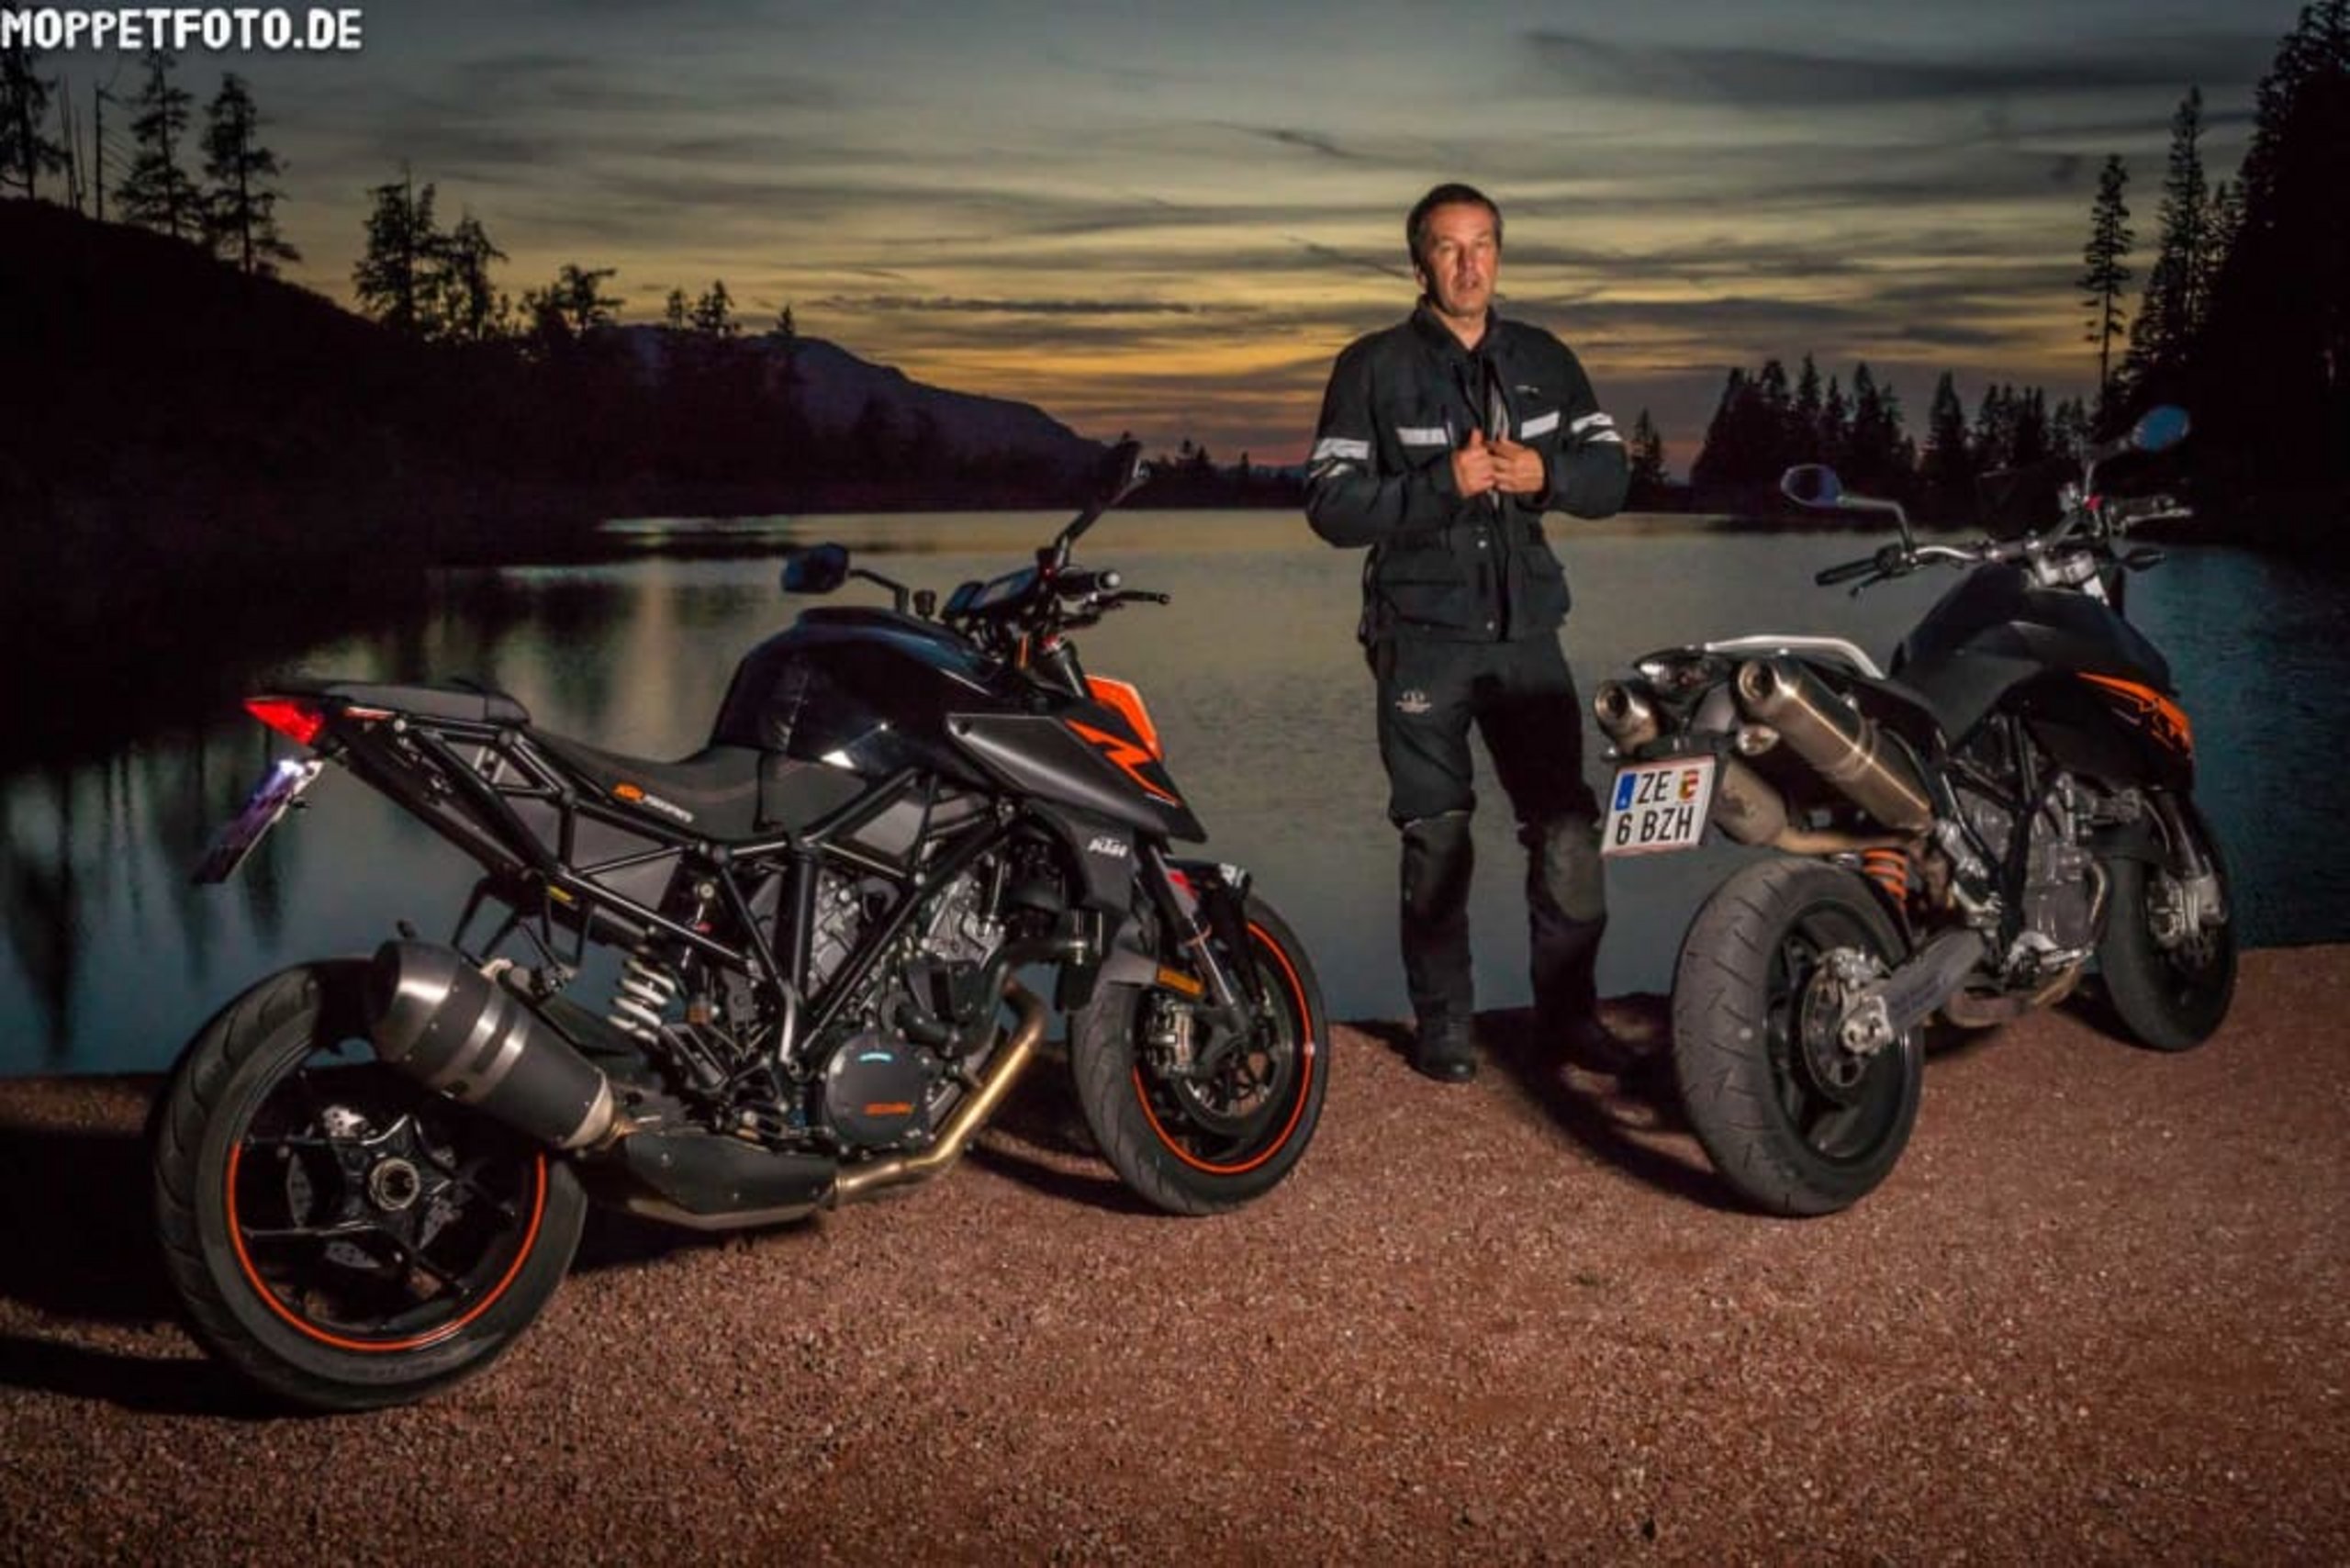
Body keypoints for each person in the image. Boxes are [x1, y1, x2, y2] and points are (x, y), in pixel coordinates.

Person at [1304, 182, 1636, 1083]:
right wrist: (1438, 486)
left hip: (1527, 635)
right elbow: (1329, 506)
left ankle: (1567, 1019)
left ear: (1499, 253)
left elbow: (1612, 477)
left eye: (1482, 244)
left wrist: (1546, 475)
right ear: (1419, 264)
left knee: (1566, 829)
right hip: (1421, 635)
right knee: (1438, 834)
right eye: (1448, 248)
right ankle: (1446, 1026)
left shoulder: (1544, 360)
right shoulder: (1371, 367)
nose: (1468, 264)